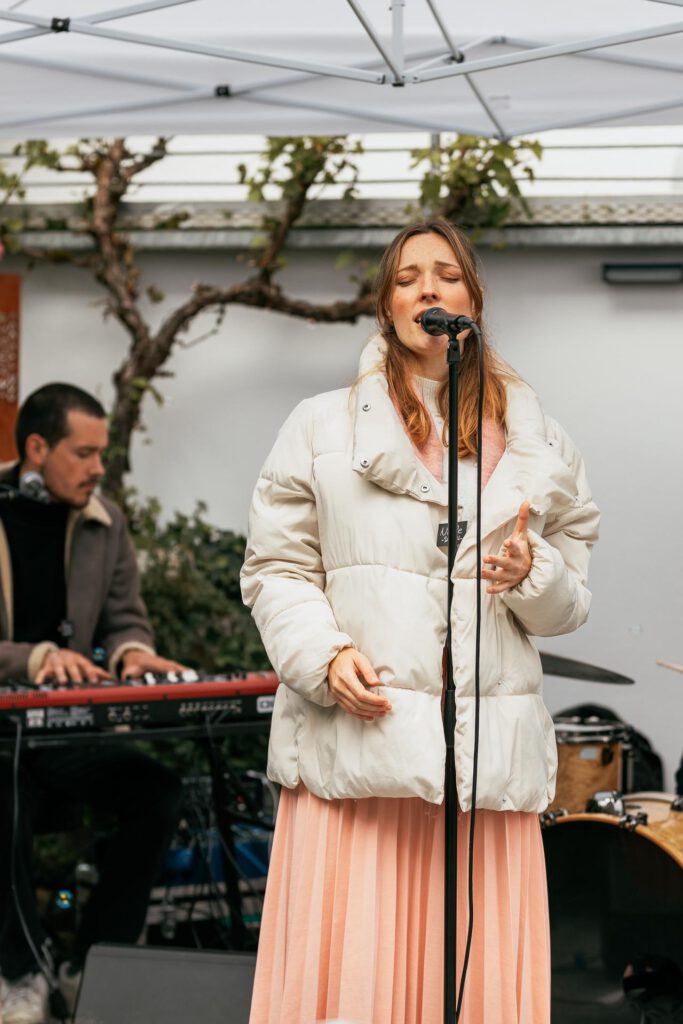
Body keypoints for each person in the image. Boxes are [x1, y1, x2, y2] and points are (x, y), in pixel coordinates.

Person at [241, 219, 600, 1024]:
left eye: (445, 275)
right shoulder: (319, 426)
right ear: (385, 306)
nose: (426, 289)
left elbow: (569, 602)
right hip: (360, 755)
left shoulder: (541, 444)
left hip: (483, 769)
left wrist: (530, 574)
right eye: (405, 279)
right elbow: (275, 569)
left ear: (474, 299)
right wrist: (323, 655)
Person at [0, 383, 184, 1024]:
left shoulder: (106, 522)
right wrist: (34, 659)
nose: (99, 468)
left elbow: (126, 618)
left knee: (158, 793)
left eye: (101, 453)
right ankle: (18, 973)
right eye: (84, 453)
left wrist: (133, 651)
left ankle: (92, 964)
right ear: (36, 448)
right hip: (1, 734)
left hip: (66, 733)